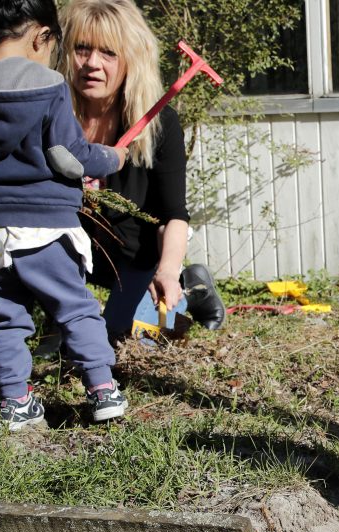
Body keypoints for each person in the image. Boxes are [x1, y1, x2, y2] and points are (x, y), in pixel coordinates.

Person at [0, 0, 130, 430]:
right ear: (41, 36)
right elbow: (68, 157)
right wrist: (112, 158)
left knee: (4, 319)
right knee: (75, 309)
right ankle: (102, 389)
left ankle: (15, 402)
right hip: (45, 228)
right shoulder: (47, 86)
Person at [59, 0, 225, 342]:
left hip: (137, 258)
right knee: (77, 343)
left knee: (137, 339)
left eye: (108, 52)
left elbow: (173, 214)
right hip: (72, 256)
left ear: (131, 60)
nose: (92, 63)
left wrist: (165, 269)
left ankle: (192, 287)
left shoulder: (159, 125)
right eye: (82, 48)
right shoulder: (53, 120)